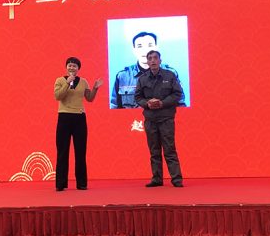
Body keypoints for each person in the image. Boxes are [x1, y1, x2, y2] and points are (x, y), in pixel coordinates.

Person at [135, 50, 184, 188]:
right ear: (147, 62)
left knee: (169, 149)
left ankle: (177, 179)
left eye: (155, 58)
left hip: (166, 118)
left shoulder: (170, 75)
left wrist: (162, 103)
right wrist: (147, 103)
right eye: (150, 58)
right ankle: (157, 179)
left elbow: (177, 94)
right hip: (150, 119)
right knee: (154, 151)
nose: (153, 60)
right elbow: (138, 97)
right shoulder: (142, 79)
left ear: (160, 60)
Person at [53, 57, 101, 192]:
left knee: (80, 151)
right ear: (66, 67)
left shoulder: (84, 82)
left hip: (79, 117)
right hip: (64, 117)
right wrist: (67, 83)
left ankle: (81, 183)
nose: (71, 68)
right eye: (69, 65)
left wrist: (95, 88)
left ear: (78, 68)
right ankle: (61, 183)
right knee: (62, 151)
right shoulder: (60, 80)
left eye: (74, 66)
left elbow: (89, 98)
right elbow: (58, 96)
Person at [111, 31, 185, 109]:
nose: (145, 50)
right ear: (134, 50)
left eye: (150, 45)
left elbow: (181, 105)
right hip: (133, 117)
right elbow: (114, 107)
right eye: (140, 46)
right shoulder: (123, 76)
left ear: (156, 48)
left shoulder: (171, 74)